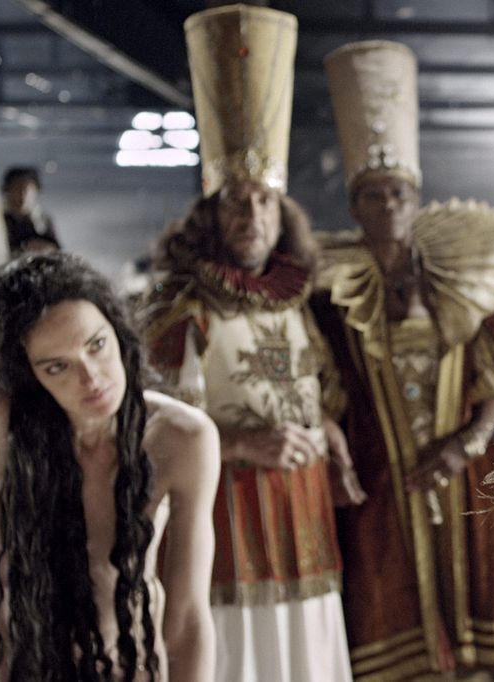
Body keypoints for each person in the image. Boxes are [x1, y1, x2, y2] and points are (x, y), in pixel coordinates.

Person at [310, 40, 494, 681]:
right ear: (355, 209)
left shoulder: (466, 286)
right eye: (373, 195)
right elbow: (323, 389)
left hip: (464, 470)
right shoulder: (330, 300)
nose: (389, 205)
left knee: (471, 623)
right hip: (379, 478)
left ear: (416, 200)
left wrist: (466, 444)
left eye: (398, 192)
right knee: (387, 612)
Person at [141, 6, 362, 680]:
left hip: (304, 509)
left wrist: (329, 432)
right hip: (226, 512)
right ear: (211, 213)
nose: (251, 214)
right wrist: (241, 443)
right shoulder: (181, 308)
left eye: (264, 200)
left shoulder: (296, 300)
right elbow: (154, 424)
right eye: (236, 200)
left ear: (282, 212)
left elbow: (314, 390)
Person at [0, 252, 218, 681]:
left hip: (132, 667)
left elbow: (188, 619)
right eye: (58, 366)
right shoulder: (0, 429)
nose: (92, 378)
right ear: (30, 377)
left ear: (118, 331)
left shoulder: (181, 437)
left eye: (97, 345)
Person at [1, 167, 59, 254]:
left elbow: (55, 247)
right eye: (17, 187)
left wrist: (45, 247)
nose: (23, 193)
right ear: (7, 189)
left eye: (28, 188)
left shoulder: (42, 219)